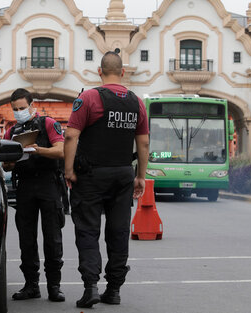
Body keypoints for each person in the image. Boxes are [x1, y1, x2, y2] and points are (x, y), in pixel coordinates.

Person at [64, 51, 150, 308]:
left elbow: (70, 136)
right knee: (119, 231)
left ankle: (91, 287)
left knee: (88, 230)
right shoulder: (136, 102)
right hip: (123, 173)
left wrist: (68, 171)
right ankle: (113, 290)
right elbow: (143, 142)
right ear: (123, 72)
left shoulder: (89, 97)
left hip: (91, 175)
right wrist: (140, 176)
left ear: (99, 72)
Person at [2, 88, 66, 302]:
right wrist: (13, 159)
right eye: (15, 109)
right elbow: (6, 166)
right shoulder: (11, 132)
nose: (19, 112)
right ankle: (31, 285)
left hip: (48, 183)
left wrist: (38, 150)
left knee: (52, 238)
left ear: (32, 106)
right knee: (26, 239)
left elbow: (60, 151)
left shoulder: (48, 124)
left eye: (22, 108)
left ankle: (54, 287)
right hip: (25, 186)